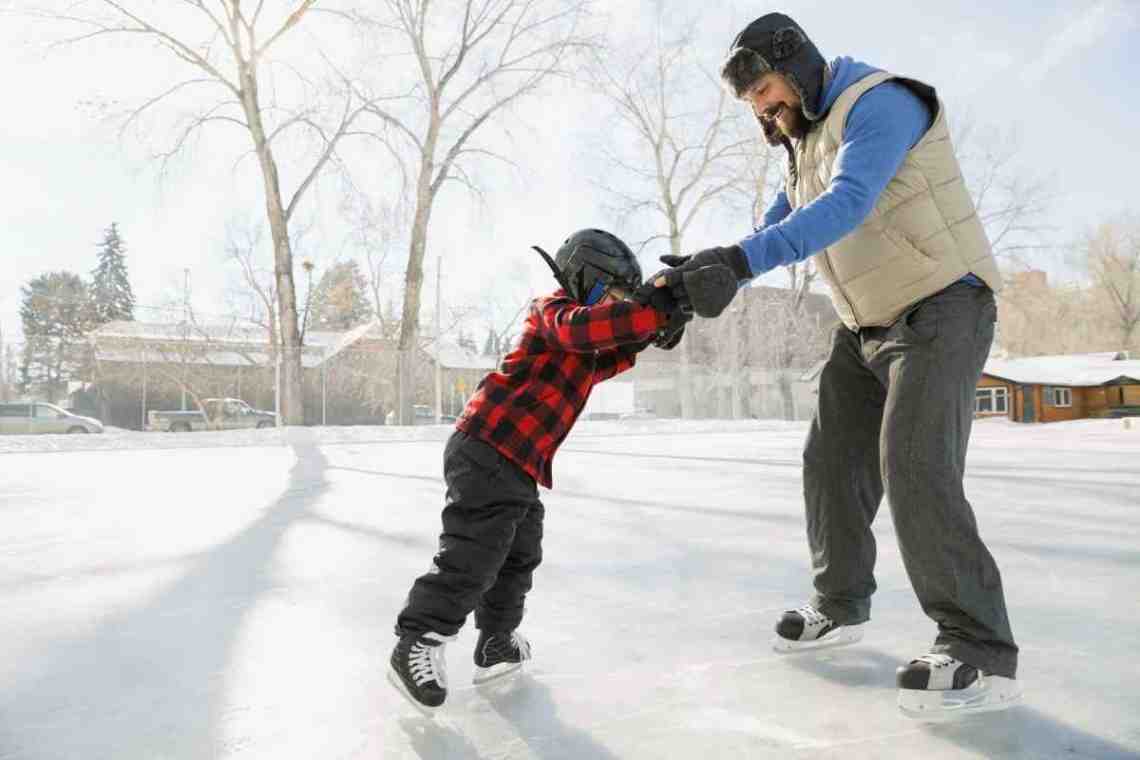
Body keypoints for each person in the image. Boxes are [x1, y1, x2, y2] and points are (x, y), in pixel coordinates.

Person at [654, 12, 1020, 718]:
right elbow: (772, 231)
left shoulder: (880, 102)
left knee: (913, 464)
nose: (761, 108)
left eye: (763, 88)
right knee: (830, 462)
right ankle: (841, 604)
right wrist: (692, 283)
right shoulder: (802, 141)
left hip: (943, 305)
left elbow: (848, 203)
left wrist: (739, 262)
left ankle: (980, 647)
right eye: (751, 101)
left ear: (798, 65)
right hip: (865, 325)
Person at [388, 228, 688, 715]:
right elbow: (585, 329)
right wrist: (649, 312)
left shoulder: (589, 347)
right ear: (586, 279)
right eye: (611, 295)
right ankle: (418, 639)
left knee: (519, 554)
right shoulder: (552, 312)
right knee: (476, 552)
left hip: (518, 462)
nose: (616, 306)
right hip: (487, 444)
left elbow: (617, 347)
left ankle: (496, 643)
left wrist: (669, 312)